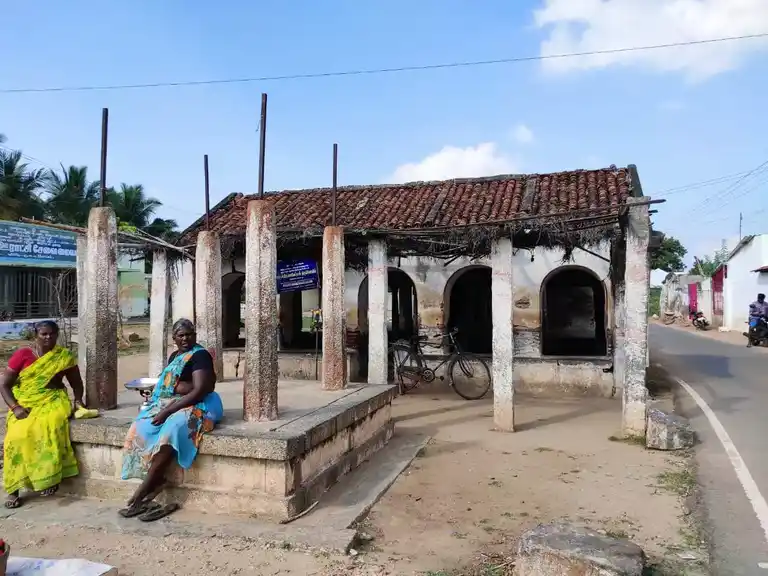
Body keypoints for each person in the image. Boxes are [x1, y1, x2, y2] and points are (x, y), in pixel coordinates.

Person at [119, 318, 223, 521]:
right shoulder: (175, 356)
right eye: (181, 335)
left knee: (173, 429)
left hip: (202, 404)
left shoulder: (200, 355)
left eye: (189, 334)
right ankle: (154, 482)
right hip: (174, 402)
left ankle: (145, 488)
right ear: (174, 338)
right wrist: (179, 389)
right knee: (140, 428)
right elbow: (173, 386)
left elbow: (200, 389)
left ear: (195, 335)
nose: (186, 338)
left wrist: (168, 410)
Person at [1, 321, 84, 509]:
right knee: (16, 437)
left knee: (52, 426)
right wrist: (15, 407)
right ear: (35, 335)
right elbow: (4, 385)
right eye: (44, 334)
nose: (48, 338)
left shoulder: (64, 356)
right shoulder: (23, 355)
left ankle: (51, 477)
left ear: (57, 334)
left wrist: (78, 401)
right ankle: (14, 490)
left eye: (52, 334)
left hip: (53, 400)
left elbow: (76, 382)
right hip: (25, 401)